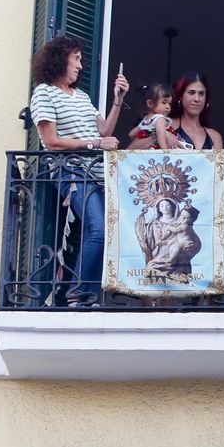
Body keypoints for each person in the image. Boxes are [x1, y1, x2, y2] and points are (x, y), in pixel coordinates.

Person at [28, 35, 129, 307]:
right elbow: (51, 142)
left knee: (102, 230)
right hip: (70, 172)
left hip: (95, 172)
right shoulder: (44, 93)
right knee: (97, 228)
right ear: (60, 60)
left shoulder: (82, 96)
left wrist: (117, 100)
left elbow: (105, 129)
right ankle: (80, 294)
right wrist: (95, 144)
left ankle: (85, 293)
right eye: (76, 59)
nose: (80, 66)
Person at [170, 72, 223, 150]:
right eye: (191, 93)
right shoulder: (167, 125)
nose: (197, 99)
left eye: (201, 94)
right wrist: (164, 134)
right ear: (180, 96)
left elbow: (219, 162)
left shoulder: (214, 136)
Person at [127, 83, 178, 150]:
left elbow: (131, 134)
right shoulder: (159, 119)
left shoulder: (145, 120)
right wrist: (165, 151)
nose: (168, 107)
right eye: (164, 103)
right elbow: (160, 135)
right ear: (150, 103)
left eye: (169, 103)